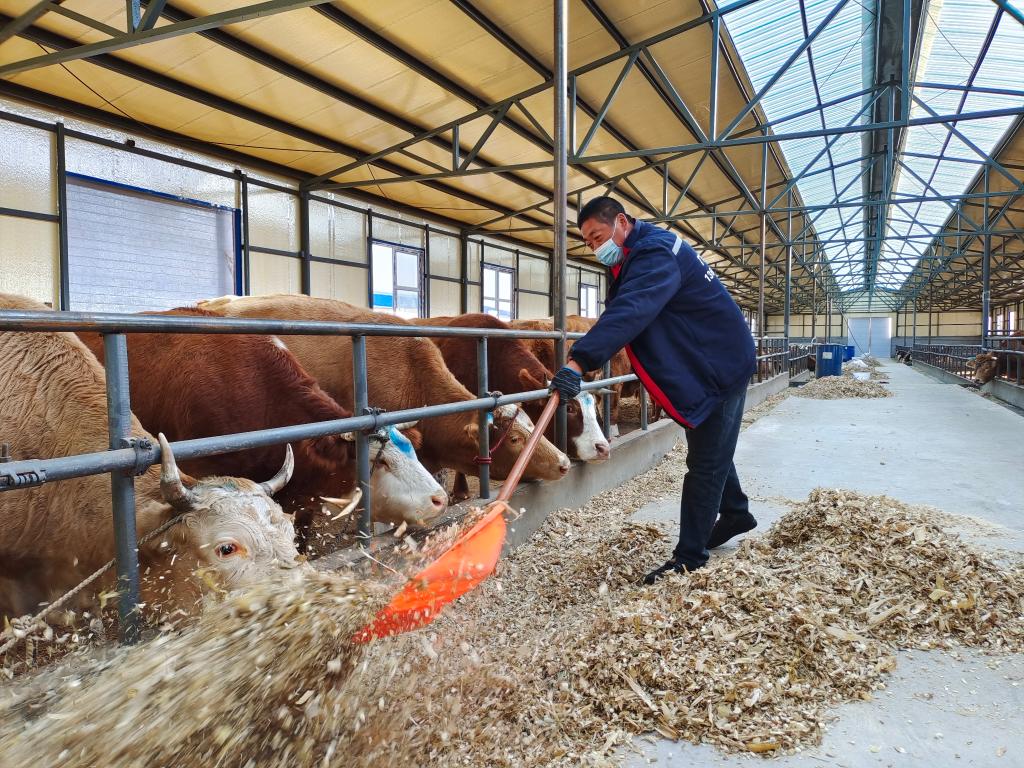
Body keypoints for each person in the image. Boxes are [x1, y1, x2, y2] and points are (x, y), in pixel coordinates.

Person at [548, 197, 757, 584]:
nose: (595, 248)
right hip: (704, 362)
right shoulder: (637, 254)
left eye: (597, 237)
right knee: (711, 447)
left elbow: (631, 310)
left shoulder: (654, 254)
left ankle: (690, 557)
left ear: (622, 222)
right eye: (589, 243)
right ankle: (736, 512)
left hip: (720, 366)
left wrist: (579, 360)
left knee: (706, 463)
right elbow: (626, 309)